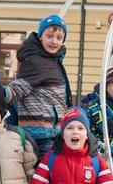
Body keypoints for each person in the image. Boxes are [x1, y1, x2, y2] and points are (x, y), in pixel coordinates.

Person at [4, 14, 72, 154]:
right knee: (44, 173)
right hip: (41, 134)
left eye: (59, 38)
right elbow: (19, 89)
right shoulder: (36, 61)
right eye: (49, 36)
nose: (54, 41)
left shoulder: (52, 60)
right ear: (41, 36)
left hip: (52, 131)